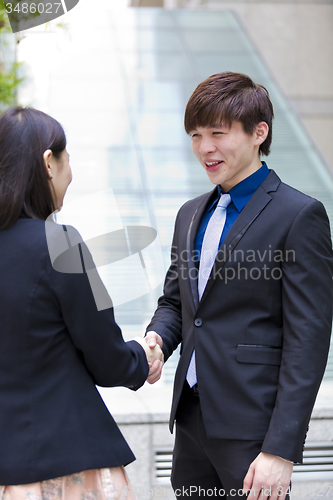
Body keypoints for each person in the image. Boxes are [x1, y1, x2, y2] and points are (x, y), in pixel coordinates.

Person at [144, 72, 333, 500]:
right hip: (191, 422)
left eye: (217, 133)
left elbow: (309, 341)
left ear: (258, 133)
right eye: (196, 135)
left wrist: (281, 450)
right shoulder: (190, 214)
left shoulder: (300, 215)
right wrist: (157, 337)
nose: (204, 148)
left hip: (254, 432)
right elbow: (177, 303)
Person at [0, 106, 163, 498]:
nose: (71, 172)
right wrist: (143, 356)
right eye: (67, 158)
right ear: (48, 163)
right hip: (61, 466)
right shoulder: (58, 243)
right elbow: (107, 360)